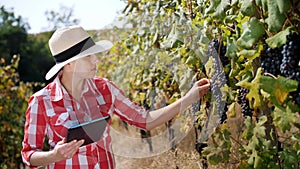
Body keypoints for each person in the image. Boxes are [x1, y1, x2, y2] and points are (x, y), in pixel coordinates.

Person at [21, 25, 211, 169]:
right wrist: (54, 155)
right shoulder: (42, 101)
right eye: (88, 57)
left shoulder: (105, 89)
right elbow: (29, 154)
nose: (96, 60)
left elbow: (145, 120)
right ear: (69, 64)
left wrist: (189, 98)